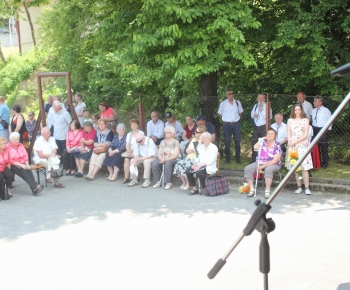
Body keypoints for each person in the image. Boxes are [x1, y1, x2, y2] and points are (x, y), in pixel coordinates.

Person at [245, 128, 283, 199]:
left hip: (273, 164)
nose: (270, 135)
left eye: (272, 134)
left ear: (275, 136)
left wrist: (262, 167)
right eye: (268, 134)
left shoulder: (277, 146)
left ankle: (267, 191)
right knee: (247, 169)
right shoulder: (263, 143)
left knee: (268, 170)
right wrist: (262, 139)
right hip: (260, 162)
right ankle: (252, 189)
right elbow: (255, 147)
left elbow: (274, 161)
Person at [286, 104, 313, 195]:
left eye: (299, 109)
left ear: (301, 110)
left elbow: (305, 135)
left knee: (304, 168)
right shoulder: (290, 120)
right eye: (295, 110)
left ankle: (307, 187)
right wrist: (290, 142)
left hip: (302, 145)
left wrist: (295, 142)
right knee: (296, 167)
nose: (297, 111)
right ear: (293, 111)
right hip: (293, 146)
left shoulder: (305, 120)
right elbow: (289, 133)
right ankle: (299, 186)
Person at [174, 125, 205, 190]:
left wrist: (196, 146)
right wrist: (193, 149)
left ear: (202, 133)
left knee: (186, 165)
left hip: (197, 159)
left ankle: (189, 183)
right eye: (195, 131)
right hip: (189, 157)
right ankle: (184, 182)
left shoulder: (204, 141)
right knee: (178, 163)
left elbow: (198, 150)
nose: (195, 133)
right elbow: (187, 151)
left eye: (197, 132)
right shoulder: (193, 139)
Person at [218, 88, 243, 164]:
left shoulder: (237, 102)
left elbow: (240, 112)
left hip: (236, 124)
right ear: (226, 95)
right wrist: (227, 119)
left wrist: (235, 118)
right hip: (226, 124)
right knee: (227, 141)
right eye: (229, 94)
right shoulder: (223, 103)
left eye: (232, 93)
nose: (231, 95)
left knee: (237, 141)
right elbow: (220, 114)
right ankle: (227, 159)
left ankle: (237, 158)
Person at [311, 96, 332, 169]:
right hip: (314, 129)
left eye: (315, 101)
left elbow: (330, 121)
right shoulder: (313, 110)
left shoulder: (326, 110)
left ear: (320, 102)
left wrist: (327, 130)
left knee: (323, 146)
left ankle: (325, 163)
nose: (314, 102)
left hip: (322, 129)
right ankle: (317, 162)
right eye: (314, 101)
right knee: (315, 146)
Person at [250, 94, 272, 163]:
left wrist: (262, 111)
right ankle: (254, 160)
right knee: (254, 142)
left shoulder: (267, 106)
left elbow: (269, 117)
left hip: (264, 127)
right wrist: (254, 115)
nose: (260, 100)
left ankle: (264, 160)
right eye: (259, 98)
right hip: (256, 126)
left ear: (265, 99)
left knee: (264, 143)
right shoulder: (256, 106)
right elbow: (251, 114)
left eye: (262, 98)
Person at [122, 119, 144, 184]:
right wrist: (128, 151)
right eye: (132, 124)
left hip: (138, 151)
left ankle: (134, 178)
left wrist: (131, 151)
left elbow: (140, 144)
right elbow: (127, 144)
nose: (133, 126)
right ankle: (126, 177)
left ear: (137, 125)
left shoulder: (141, 133)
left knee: (132, 159)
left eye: (135, 124)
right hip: (130, 151)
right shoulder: (129, 134)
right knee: (126, 160)